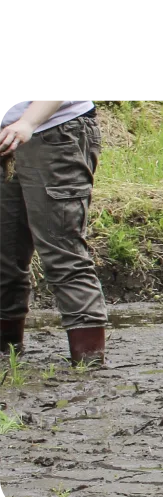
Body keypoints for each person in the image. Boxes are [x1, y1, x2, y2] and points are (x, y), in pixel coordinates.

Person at [0, 98, 108, 367]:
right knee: (4, 255)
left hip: (54, 132)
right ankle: (8, 358)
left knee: (62, 254)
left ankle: (89, 368)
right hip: (5, 136)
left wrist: (28, 122)